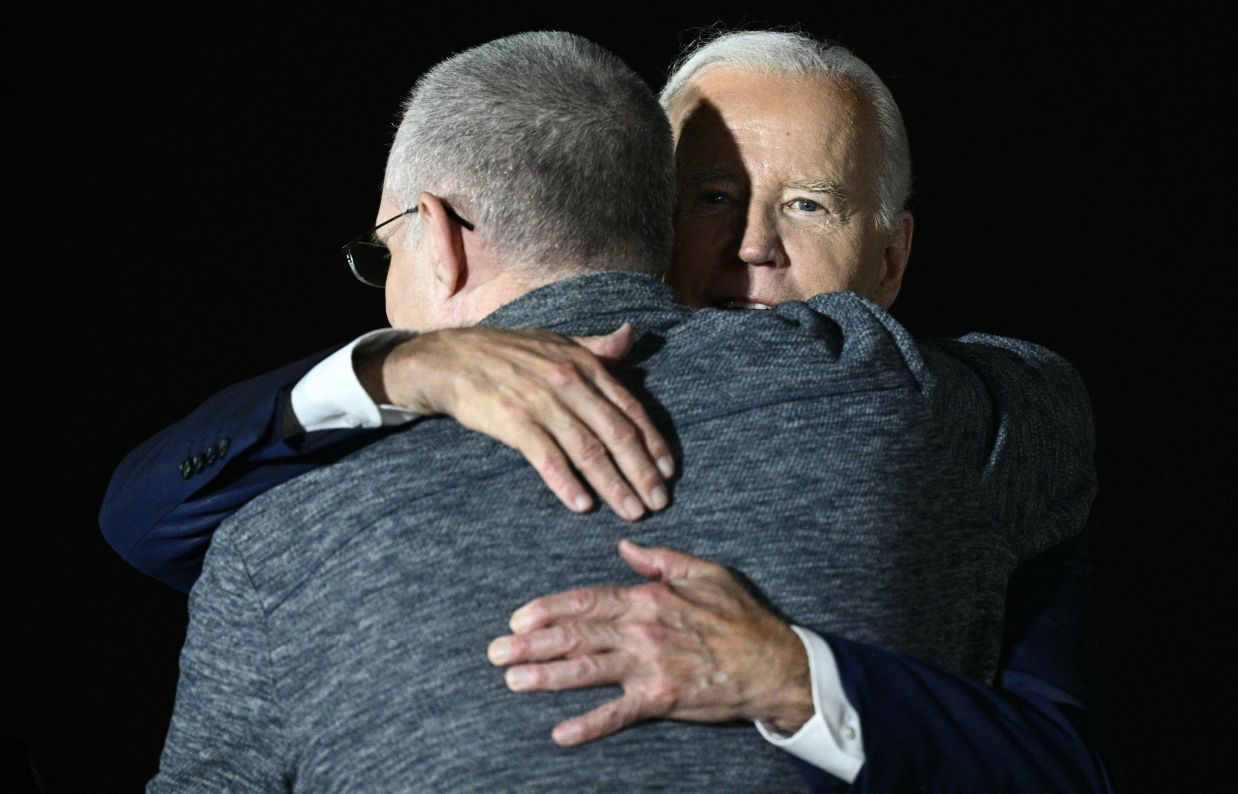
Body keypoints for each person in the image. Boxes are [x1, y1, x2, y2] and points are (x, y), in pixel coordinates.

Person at [119, 31, 1113, 792]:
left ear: (890, 259)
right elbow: (152, 516)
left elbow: (1062, 767)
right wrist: (400, 367)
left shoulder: (938, 419)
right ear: (644, 212)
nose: (751, 244)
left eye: (808, 203)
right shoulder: (344, 473)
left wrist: (795, 676)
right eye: (710, 196)